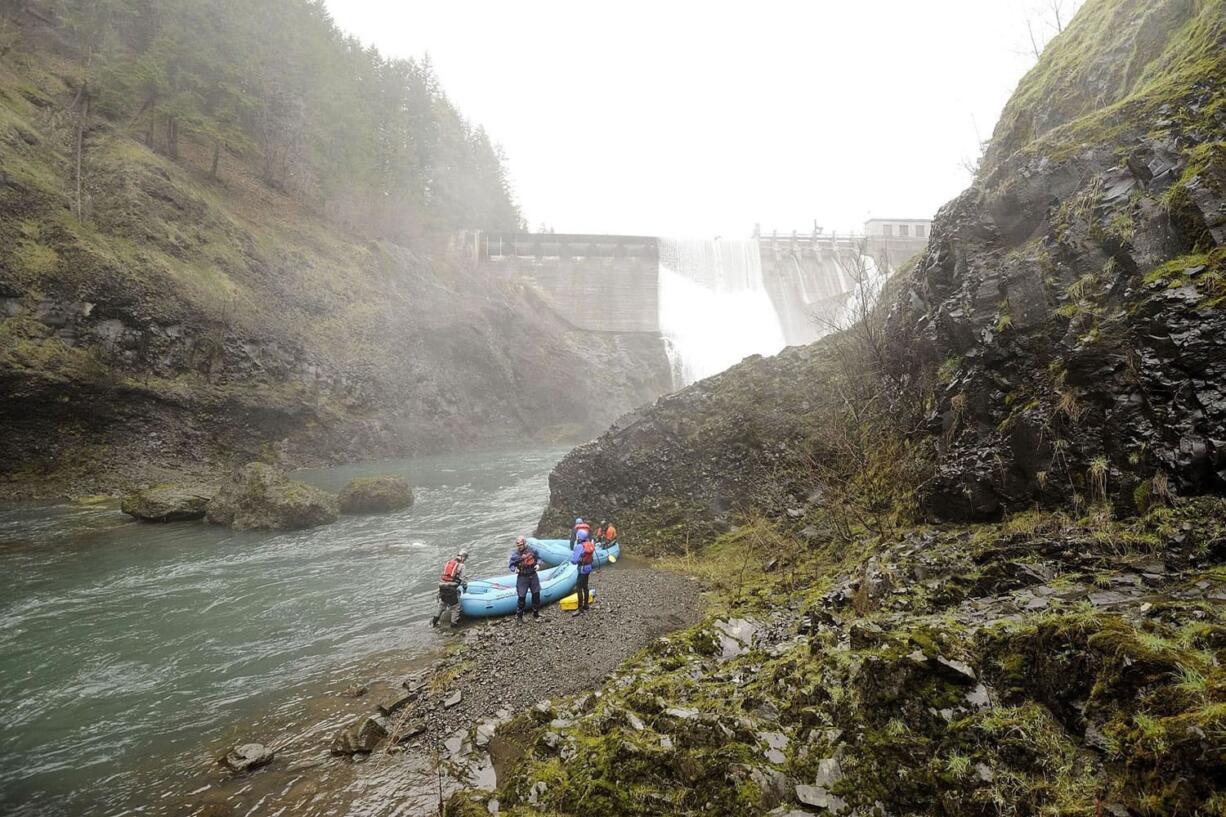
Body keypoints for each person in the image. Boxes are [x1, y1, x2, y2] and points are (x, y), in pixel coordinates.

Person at [432, 549, 470, 629]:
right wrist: (465, 588)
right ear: (463, 558)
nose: (465, 561)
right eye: (465, 559)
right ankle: (453, 626)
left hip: (442, 587)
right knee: (455, 607)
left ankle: (433, 623)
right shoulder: (462, 566)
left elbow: (444, 576)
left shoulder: (449, 563)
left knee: (442, 605)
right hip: (451, 588)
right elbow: (463, 580)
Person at [509, 535, 543, 622]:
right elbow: (511, 565)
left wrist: (538, 564)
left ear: (524, 543)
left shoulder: (532, 550)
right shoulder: (515, 554)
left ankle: (536, 613)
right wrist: (514, 569)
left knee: (536, 595)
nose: (519, 547)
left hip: (533, 575)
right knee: (521, 597)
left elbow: (539, 558)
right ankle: (519, 617)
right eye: (518, 545)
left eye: (520, 545)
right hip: (522, 577)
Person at [570, 528, 595, 615]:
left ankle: (580, 608)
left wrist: (573, 558)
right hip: (588, 568)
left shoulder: (579, 546)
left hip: (582, 569)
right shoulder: (589, 544)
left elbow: (574, 561)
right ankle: (586, 605)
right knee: (585, 586)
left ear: (579, 538)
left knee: (579, 588)